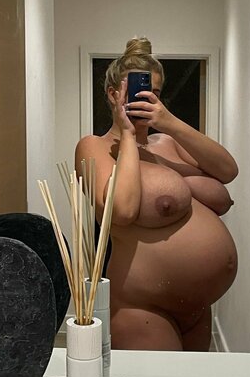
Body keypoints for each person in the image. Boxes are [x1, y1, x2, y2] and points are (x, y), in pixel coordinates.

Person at [75, 37, 238, 352]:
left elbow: (228, 170)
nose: (145, 99)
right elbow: (121, 211)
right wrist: (127, 135)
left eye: (155, 94)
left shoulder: (169, 143)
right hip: (144, 309)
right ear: (112, 94)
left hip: (197, 308)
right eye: (134, 92)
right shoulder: (94, 147)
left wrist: (169, 122)